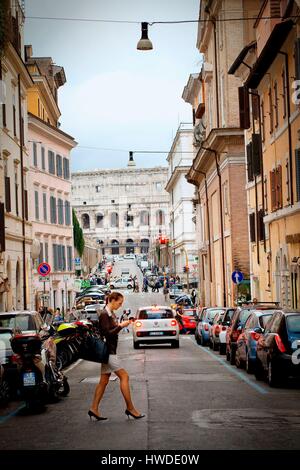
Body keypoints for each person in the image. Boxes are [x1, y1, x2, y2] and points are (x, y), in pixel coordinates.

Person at [88, 292, 145, 421]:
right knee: (124, 376)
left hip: (109, 351)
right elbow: (107, 333)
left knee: (104, 381)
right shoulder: (104, 314)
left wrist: (121, 324)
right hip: (109, 352)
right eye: (119, 303)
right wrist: (120, 326)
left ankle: (94, 408)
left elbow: (110, 330)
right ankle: (130, 408)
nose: (120, 305)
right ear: (112, 300)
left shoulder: (109, 314)